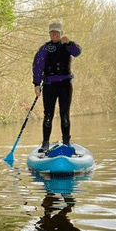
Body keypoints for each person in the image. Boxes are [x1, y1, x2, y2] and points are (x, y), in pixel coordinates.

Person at [32, 22, 82, 152]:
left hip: (65, 85)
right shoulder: (44, 48)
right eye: (52, 32)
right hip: (49, 85)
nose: (55, 34)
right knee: (48, 115)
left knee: (64, 114)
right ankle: (45, 143)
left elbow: (77, 52)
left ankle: (66, 142)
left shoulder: (67, 46)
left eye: (57, 32)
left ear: (61, 34)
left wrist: (69, 43)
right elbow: (37, 67)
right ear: (49, 34)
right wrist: (37, 84)